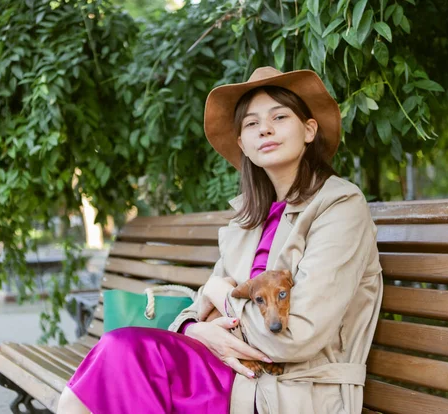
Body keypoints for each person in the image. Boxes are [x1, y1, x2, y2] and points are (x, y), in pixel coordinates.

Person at [57, 66, 383, 414]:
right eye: (252, 124)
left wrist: (222, 296)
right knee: (112, 361)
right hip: (225, 372)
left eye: (279, 116)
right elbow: (196, 311)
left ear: (308, 129)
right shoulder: (247, 220)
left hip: (288, 387)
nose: (266, 129)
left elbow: (294, 337)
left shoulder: (339, 206)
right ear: (243, 143)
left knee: (121, 358)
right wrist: (197, 329)